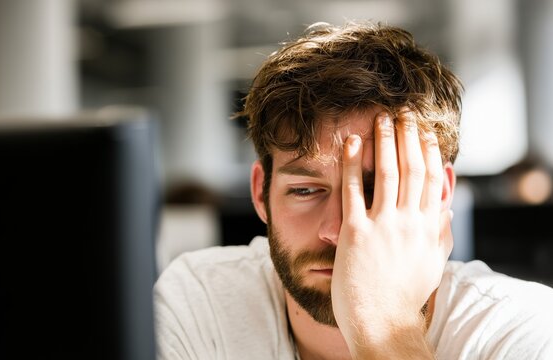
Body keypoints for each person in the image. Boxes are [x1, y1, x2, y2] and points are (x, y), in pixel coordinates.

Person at [154, 22, 553, 359]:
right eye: (306, 190)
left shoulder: (521, 330)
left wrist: (384, 324)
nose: (341, 229)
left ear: (440, 197)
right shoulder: (199, 300)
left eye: (378, 188)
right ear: (261, 194)